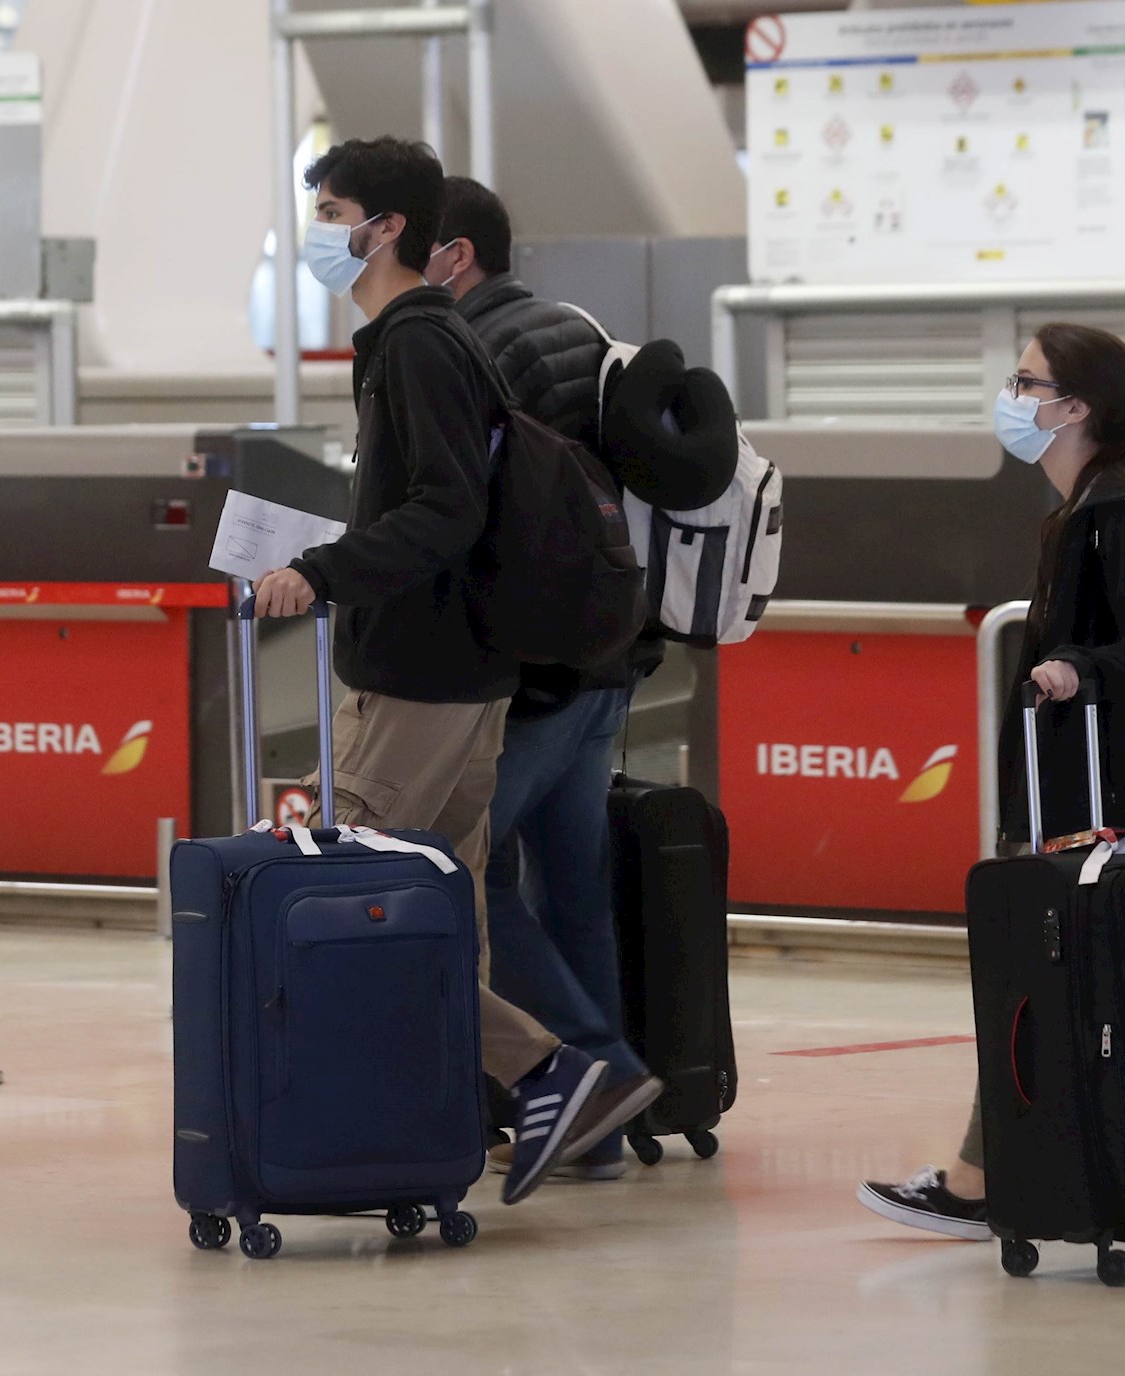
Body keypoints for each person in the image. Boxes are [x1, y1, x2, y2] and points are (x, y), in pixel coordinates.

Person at [252, 137, 650, 1205]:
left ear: (386, 230)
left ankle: (554, 1065)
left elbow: (443, 509)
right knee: (447, 901)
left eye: (332, 211)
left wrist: (321, 571)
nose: (318, 231)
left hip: (419, 677)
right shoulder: (416, 339)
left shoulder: (419, 343)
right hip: (461, 671)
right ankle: (463, 1107)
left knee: (359, 888)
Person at [857, 322, 1125, 1240]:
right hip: (1099, 787)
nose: (1013, 397)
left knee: (1044, 981)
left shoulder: (1120, 509)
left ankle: (982, 1183)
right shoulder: (1091, 504)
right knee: (1115, 992)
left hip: (1112, 797)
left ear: (1077, 408)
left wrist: (1075, 670)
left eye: (1028, 383)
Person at [427, 176, 663, 1182]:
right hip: (612, 648)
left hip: (541, 671)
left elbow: (478, 516)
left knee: (458, 870)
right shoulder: (572, 327)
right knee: (573, 891)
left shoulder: (478, 350)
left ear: (453, 256)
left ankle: (590, 1073)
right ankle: (596, 1126)